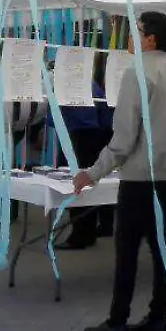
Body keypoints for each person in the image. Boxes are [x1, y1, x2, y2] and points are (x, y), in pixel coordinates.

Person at [74, 12, 166, 331]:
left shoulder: (138, 73)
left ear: (150, 39)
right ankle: (158, 317)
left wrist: (92, 172)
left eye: (136, 31)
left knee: (127, 250)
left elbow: (125, 137)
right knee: (162, 247)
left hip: (141, 177)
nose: (130, 36)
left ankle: (117, 321)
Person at [55, 81, 115, 250]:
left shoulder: (73, 79)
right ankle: (102, 226)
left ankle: (81, 235)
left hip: (84, 129)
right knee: (99, 177)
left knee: (81, 179)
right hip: (99, 128)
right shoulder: (91, 82)